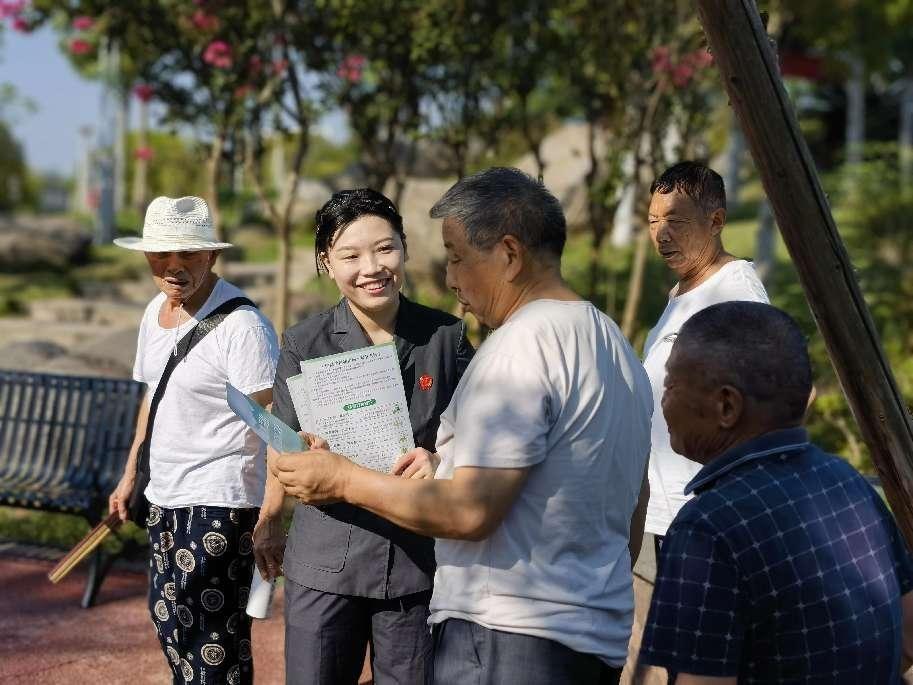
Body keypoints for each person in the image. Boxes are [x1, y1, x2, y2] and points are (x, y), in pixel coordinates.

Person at [271, 167, 653, 684]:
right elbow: (636, 496)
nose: (450, 278)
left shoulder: (520, 348)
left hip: (508, 639)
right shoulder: (613, 343)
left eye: (456, 257)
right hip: (589, 636)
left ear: (509, 255)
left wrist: (340, 479)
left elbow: (471, 512)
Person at [255, 188, 473, 685]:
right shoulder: (302, 343)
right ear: (326, 263)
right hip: (326, 560)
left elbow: (476, 431)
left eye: (385, 248)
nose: (371, 267)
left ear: (405, 249)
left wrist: (441, 460)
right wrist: (270, 517)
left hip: (416, 562)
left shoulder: (446, 336)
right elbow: (281, 441)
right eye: (350, 255)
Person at [637, 301, 913, 684]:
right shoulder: (847, 481)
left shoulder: (706, 528)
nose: (662, 402)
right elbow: (908, 630)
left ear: (726, 405)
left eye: (669, 385)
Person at [108, 196, 279, 685]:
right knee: (168, 621)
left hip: (221, 502)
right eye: (161, 253)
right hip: (164, 495)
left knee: (212, 643)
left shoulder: (243, 327)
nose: (173, 266)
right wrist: (130, 475)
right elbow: (151, 402)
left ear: (212, 257)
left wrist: (270, 517)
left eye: (188, 254)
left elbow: (271, 424)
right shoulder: (154, 312)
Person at [643, 161, 769, 551]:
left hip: (711, 516)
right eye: (652, 221)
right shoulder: (682, 293)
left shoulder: (736, 291)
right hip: (676, 511)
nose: (661, 234)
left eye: (675, 221)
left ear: (715, 222)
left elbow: (780, 394)